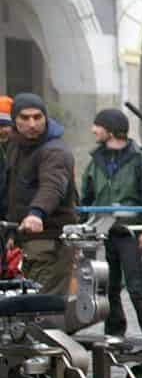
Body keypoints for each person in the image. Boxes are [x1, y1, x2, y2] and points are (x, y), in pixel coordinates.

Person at [81, 108, 142, 338]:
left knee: (139, 288)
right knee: (108, 289)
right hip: (103, 234)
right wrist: (83, 230)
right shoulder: (95, 161)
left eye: (97, 126)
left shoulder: (141, 160)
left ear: (110, 130)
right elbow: (86, 197)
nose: (93, 130)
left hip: (131, 234)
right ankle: (114, 334)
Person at [1, 93, 77, 294]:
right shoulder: (16, 146)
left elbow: (52, 186)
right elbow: (12, 192)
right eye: (25, 118)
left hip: (49, 239)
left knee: (41, 307)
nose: (32, 124)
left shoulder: (55, 151)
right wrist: (10, 232)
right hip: (25, 239)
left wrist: (37, 213)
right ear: (15, 120)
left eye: (37, 117)